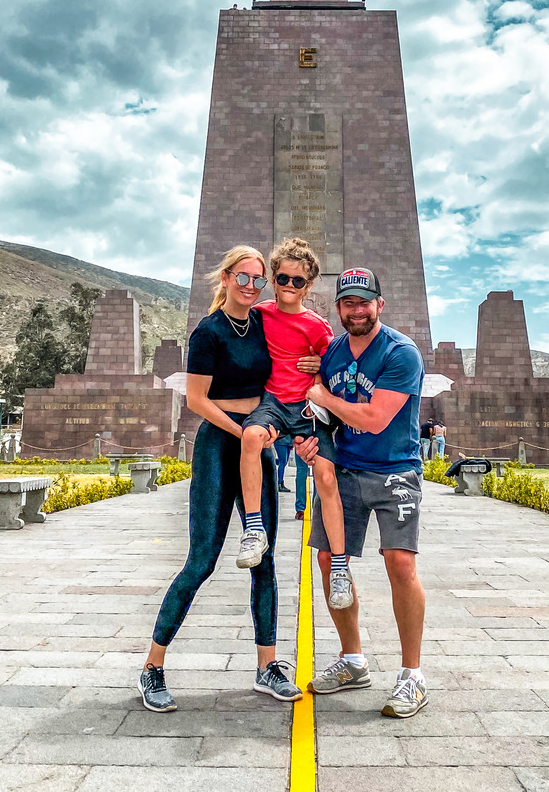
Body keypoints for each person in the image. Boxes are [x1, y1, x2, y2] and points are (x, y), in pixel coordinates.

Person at [137, 245, 302, 712]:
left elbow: (289, 362)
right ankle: (153, 667)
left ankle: (267, 666)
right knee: (202, 561)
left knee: (265, 558)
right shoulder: (207, 332)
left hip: (258, 443)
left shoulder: (264, 323)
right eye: (244, 277)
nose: (252, 286)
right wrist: (246, 430)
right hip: (220, 443)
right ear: (226, 278)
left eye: (259, 280)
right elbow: (196, 400)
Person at [295, 266, 428, 718]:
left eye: (364, 302)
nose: (356, 310)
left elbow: (373, 418)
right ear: (338, 309)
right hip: (346, 471)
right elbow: (324, 417)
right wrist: (308, 440)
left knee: (400, 563)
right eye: (348, 303)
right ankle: (353, 660)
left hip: (395, 470)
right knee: (329, 558)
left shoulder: (400, 353)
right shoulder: (331, 352)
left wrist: (323, 395)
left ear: (379, 305)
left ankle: (412, 675)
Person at [238, 237, 353, 609]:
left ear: (310, 284)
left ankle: (339, 567)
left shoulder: (318, 326)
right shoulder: (259, 315)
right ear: (273, 279)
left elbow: (338, 366)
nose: (289, 286)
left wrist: (321, 367)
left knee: (326, 476)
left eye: (297, 281)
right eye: (283, 278)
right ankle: (254, 529)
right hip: (272, 402)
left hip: (306, 409)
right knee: (252, 437)